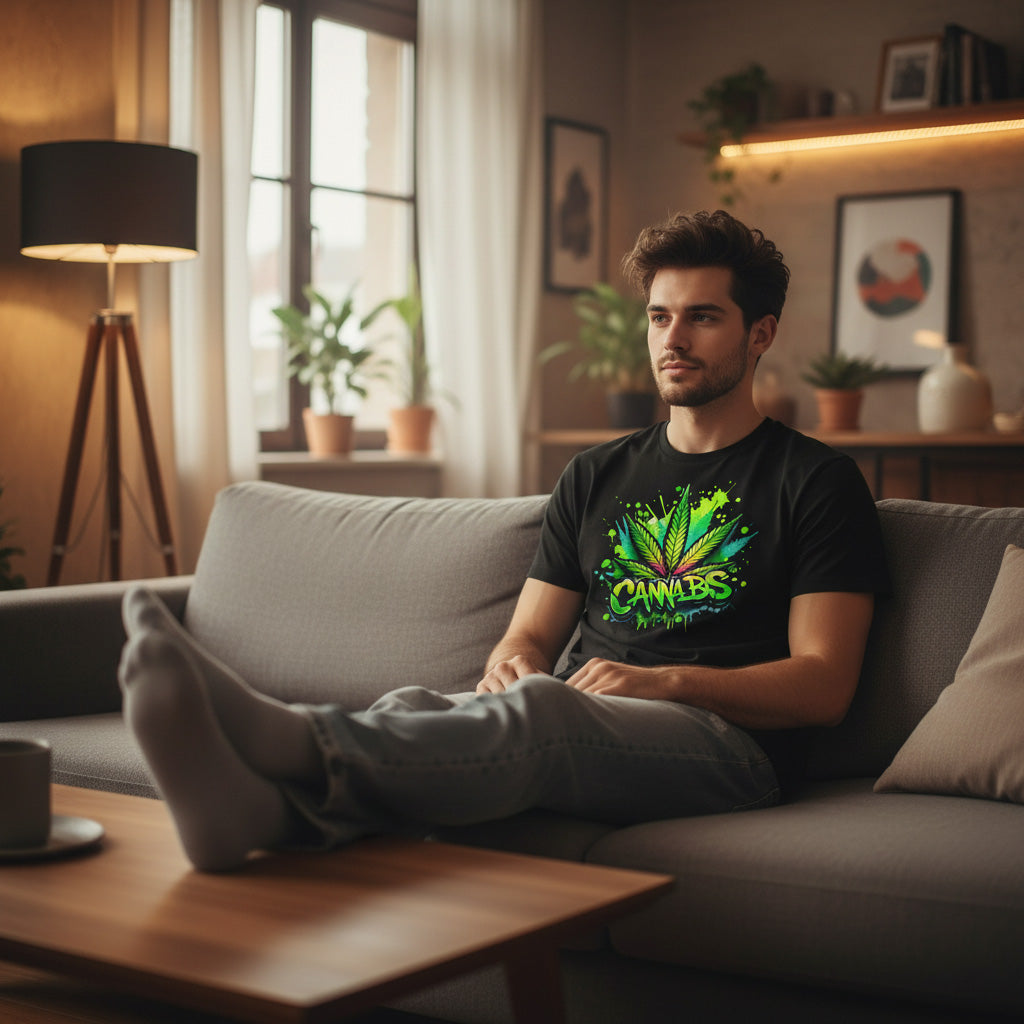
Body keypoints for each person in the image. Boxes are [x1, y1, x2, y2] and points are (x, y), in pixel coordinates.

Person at [120, 210, 889, 872]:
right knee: (417, 704)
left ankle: (280, 733)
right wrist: (512, 664)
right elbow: (527, 634)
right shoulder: (594, 474)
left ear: (761, 333)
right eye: (659, 316)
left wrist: (666, 681)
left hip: (729, 747)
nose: (673, 338)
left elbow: (823, 686)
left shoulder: (814, 481)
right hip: (583, 713)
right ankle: (264, 819)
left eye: (702, 317)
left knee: (546, 716)